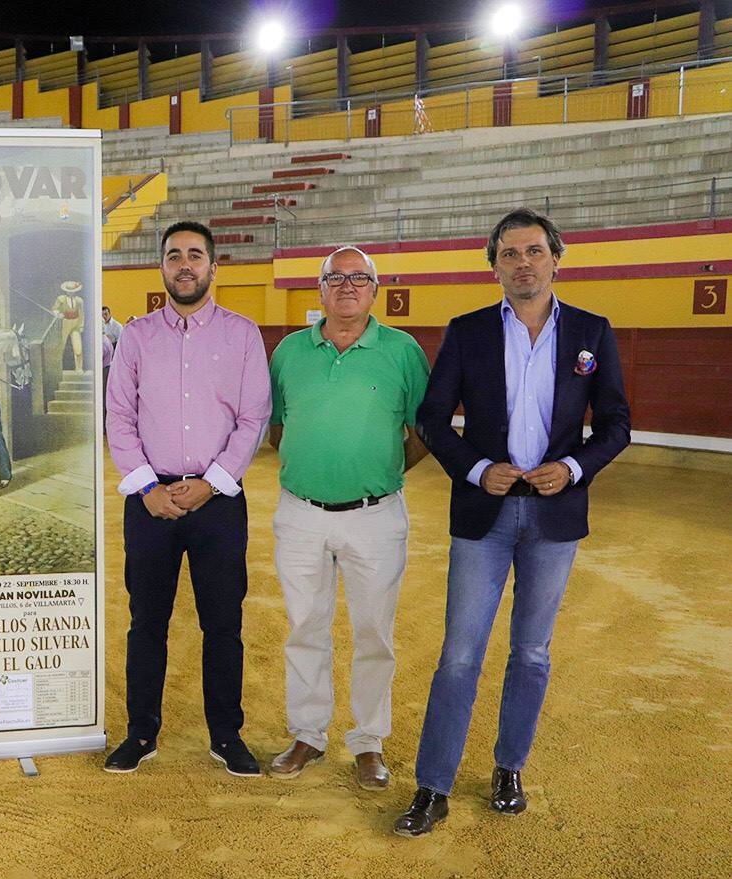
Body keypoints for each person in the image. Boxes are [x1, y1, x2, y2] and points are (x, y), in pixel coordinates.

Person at [394, 209, 631, 837]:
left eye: (533, 251)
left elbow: (616, 424)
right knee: (459, 654)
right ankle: (433, 785)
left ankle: (509, 768)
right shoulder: (467, 330)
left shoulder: (592, 331)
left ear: (556, 258)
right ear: (494, 266)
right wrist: (476, 470)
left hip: (555, 514)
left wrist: (573, 469)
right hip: (485, 511)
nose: (522, 263)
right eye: (509, 254)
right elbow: (433, 418)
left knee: (531, 651)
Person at [103, 220, 272, 776]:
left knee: (222, 623)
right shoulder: (135, 336)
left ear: (213, 267)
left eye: (195, 255)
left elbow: (253, 418)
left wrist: (211, 483)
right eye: (174, 255)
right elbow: (119, 416)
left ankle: (226, 735)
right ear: (162, 267)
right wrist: (146, 487)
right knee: (145, 622)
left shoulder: (242, 334)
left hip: (217, 501)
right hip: (149, 501)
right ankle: (140, 734)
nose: (184, 265)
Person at [265, 246, 431, 791]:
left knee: (375, 632)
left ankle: (368, 741)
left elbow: (423, 431)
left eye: (359, 278)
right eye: (335, 278)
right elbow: (277, 428)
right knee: (304, 627)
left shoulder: (403, 351)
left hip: (375, 516)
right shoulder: (289, 351)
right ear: (320, 289)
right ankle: (308, 734)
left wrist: (380, 472)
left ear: (375, 290)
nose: (346, 286)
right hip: (301, 513)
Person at [51, 280, 85, 370]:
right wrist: (59, 314)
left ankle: (79, 368)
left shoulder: (79, 300)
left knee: (78, 347)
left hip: (75, 324)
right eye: (69, 291)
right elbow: (54, 309)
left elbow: (81, 313)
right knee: (61, 346)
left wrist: (81, 325)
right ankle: (56, 368)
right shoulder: (61, 299)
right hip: (65, 323)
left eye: (72, 291)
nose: (70, 293)